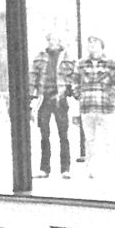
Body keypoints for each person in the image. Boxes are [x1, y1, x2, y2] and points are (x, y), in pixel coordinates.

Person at [69, 36, 115, 179]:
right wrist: (79, 95)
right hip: (87, 107)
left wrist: (110, 96)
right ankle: (91, 169)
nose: (92, 46)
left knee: (109, 139)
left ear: (102, 46)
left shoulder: (111, 63)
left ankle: (111, 167)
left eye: (95, 43)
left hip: (106, 108)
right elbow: (74, 82)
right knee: (90, 140)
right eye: (90, 44)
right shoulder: (80, 64)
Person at [30, 33, 72, 180]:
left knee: (63, 135)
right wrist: (31, 98)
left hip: (60, 100)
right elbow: (32, 77)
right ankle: (44, 169)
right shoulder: (40, 57)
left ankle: (65, 169)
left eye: (55, 39)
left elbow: (72, 78)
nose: (52, 42)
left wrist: (69, 91)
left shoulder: (67, 58)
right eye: (50, 40)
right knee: (44, 135)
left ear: (60, 41)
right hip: (44, 99)